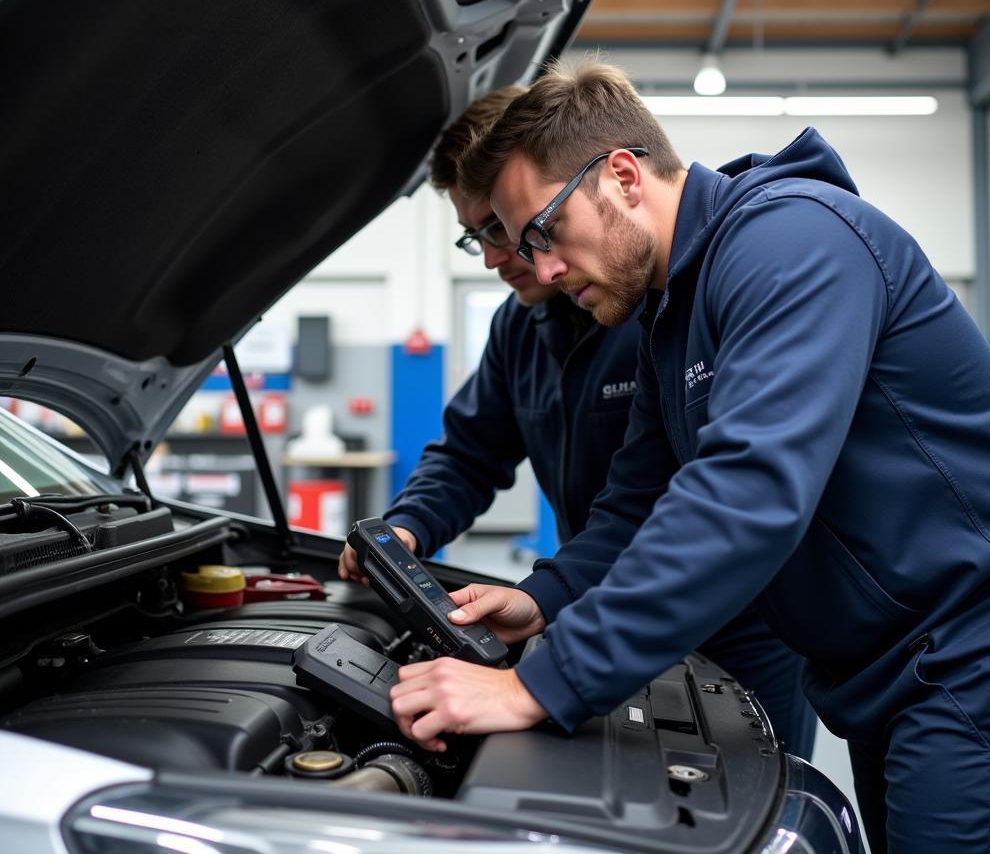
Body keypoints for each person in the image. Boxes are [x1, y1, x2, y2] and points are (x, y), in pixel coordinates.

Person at [388, 62, 990, 854]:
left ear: (621, 174)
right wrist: (542, 599)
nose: (540, 269)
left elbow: (748, 492)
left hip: (971, 652)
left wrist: (538, 688)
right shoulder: (671, 314)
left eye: (543, 233)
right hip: (880, 670)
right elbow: (637, 503)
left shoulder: (792, 242)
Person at [339, 85, 816, 757]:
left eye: (513, 230)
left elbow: (738, 499)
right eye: (478, 236)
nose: (504, 258)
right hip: (606, 604)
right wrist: (524, 586)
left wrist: (544, 681)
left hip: (743, 621)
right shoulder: (536, 326)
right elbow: (596, 493)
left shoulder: (736, 268)